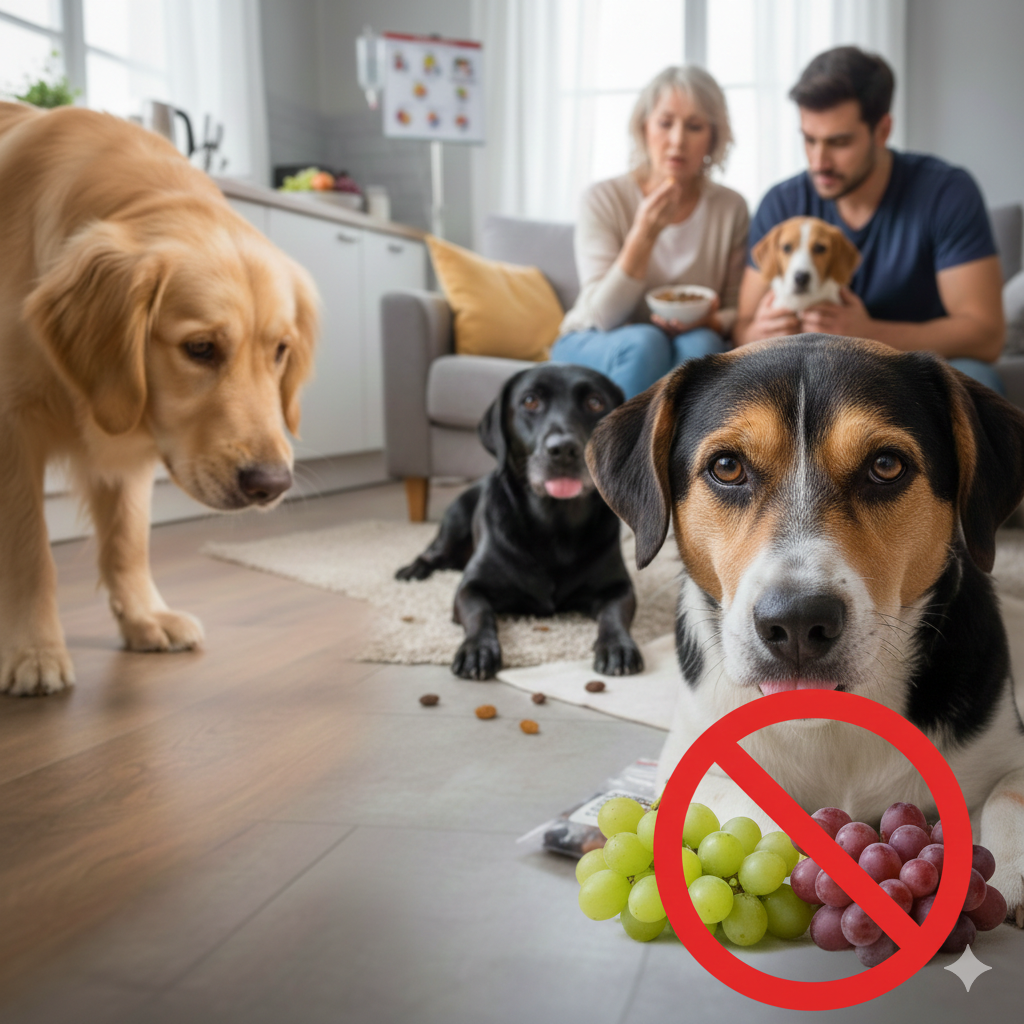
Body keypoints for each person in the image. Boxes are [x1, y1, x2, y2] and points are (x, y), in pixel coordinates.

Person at [733, 46, 1005, 393]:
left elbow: (986, 336)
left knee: (978, 379)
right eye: (809, 140)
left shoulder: (946, 193)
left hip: (911, 373)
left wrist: (871, 334)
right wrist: (759, 332)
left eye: (839, 142)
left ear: (882, 130)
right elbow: (742, 326)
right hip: (810, 379)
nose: (819, 161)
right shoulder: (782, 204)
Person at [551, 66, 749, 399]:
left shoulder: (731, 208)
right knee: (646, 341)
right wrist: (644, 233)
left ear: (713, 138)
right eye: (665, 123)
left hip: (685, 338)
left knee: (703, 345)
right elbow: (603, 316)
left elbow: (735, 311)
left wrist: (710, 322)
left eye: (694, 126)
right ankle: (621, 437)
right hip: (594, 336)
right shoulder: (603, 198)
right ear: (643, 128)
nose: (677, 140)